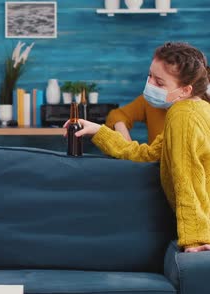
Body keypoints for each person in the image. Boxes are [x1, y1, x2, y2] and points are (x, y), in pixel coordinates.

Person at [67, 42, 210, 253]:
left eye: (159, 83)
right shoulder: (200, 108)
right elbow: (149, 154)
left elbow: (185, 178)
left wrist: (195, 239)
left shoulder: (183, 115)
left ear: (185, 90)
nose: (150, 85)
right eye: (150, 76)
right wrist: (99, 131)